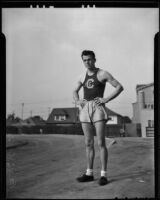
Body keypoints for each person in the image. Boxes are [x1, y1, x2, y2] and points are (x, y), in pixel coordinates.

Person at [73, 50, 124, 186]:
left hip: (98, 108)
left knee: (100, 142)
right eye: (84, 60)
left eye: (89, 59)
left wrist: (106, 99)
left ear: (94, 59)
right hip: (85, 109)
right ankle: (89, 173)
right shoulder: (82, 76)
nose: (87, 62)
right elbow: (74, 91)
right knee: (88, 143)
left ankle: (103, 175)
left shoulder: (102, 73)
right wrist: (78, 101)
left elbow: (119, 87)